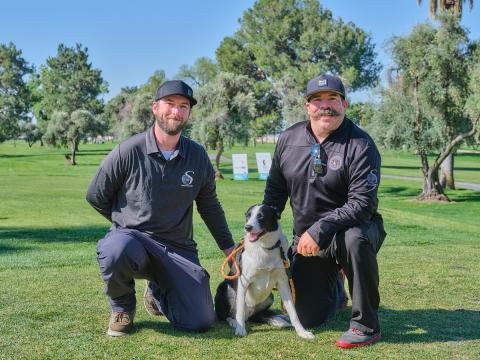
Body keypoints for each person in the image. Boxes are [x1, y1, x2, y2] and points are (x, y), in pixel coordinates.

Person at [86, 80, 235, 337]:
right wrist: (122, 224)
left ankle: (156, 292)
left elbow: (210, 207)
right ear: (155, 108)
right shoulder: (128, 150)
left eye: (183, 106)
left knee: (200, 321)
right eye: (170, 104)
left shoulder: (197, 156)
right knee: (114, 249)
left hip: (178, 249)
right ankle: (122, 308)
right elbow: (96, 195)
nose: (176, 112)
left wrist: (231, 251)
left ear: (188, 112)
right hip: (134, 243)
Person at [263, 74, 386, 348]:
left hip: (353, 231)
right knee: (306, 317)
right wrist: (260, 233)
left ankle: (366, 326)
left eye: (332, 99)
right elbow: (274, 194)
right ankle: (336, 291)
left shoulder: (361, 145)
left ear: (344, 103)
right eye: (317, 100)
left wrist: (319, 230)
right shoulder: (288, 139)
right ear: (307, 106)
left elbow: (362, 204)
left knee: (355, 239)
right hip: (307, 243)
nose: (325, 106)